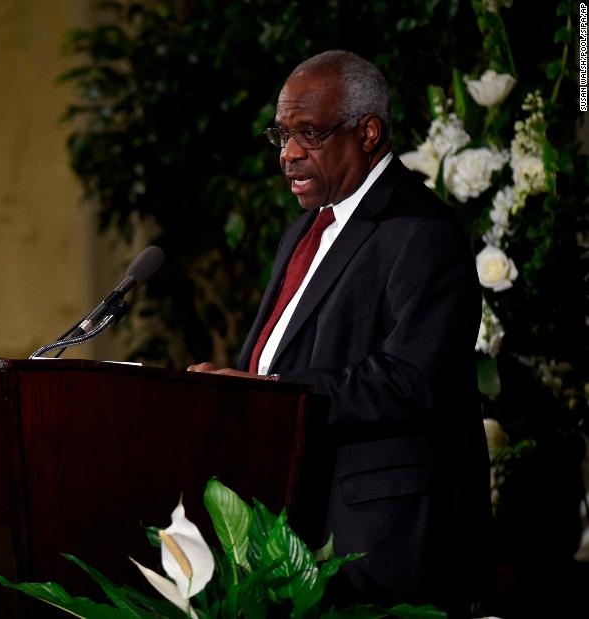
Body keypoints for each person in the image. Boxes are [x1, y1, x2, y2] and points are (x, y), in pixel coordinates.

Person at [189, 51, 492, 614]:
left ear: (368, 132)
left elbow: (411, 379)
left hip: (374, 547)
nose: (288, 153)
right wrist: (233, 393)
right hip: (287, 529)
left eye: (309, 133)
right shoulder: (303, 231)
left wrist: (274, 395)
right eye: (281, 135)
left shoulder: (420, 231)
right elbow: (276, 356)